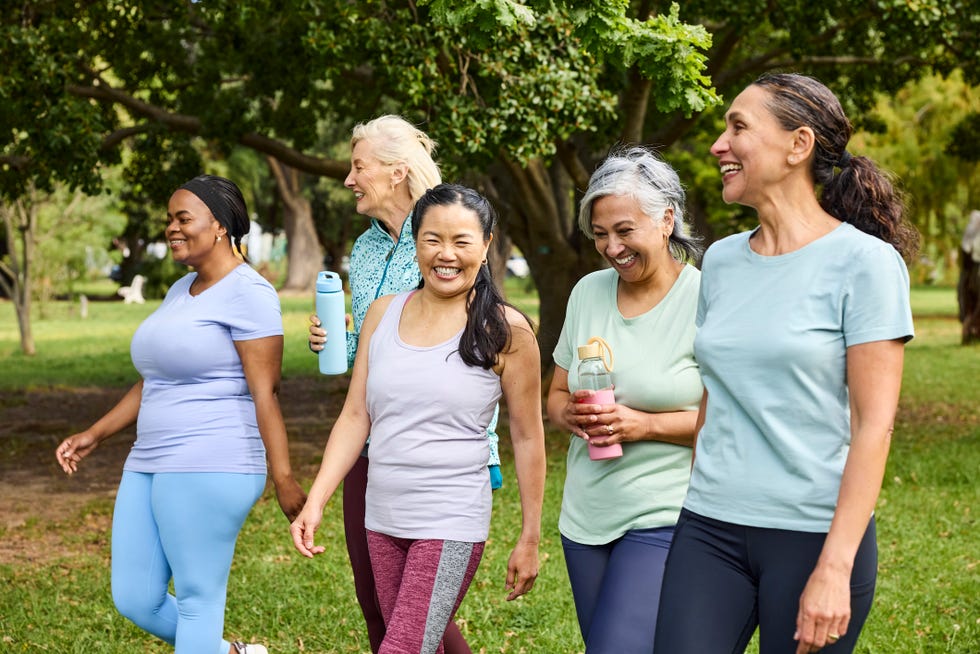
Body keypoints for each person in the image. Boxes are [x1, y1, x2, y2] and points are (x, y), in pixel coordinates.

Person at [654, 73, 918, 654]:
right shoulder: (721, 261)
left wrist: (834, 567)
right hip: (710, 525)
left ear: (798, 145)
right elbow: (713, 392)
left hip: (814, 535)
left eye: (738, 127)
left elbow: (874, 426)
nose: (719, 144)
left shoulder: (865, 264)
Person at [54, 174, 307, 654]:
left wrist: (284, 476)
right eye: (169, 218)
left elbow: (266, 392)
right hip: (149, 459)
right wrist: (96, 433)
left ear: (219, 226)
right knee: (135, 598)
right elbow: (155, 379)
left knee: (196, 600)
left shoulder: (249, 293)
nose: (171, 227)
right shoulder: (182, 289)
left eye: (182, 218)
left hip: (213, 459)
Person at [292, 184, 546, 654]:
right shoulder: (383, 315)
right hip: (382, 517)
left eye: (462, 241)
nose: (445, 254)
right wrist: (316, 501)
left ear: (487, 245)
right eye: (432, 240)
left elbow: (528, 437)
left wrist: (530, 536)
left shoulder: (505, 330)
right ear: (415, 242)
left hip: (450, 520)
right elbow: (354, 417)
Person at [307, 115, 500, 653]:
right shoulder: (366, 249)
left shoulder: (448, 236)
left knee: (415, 617)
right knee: (381, 606)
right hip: (371, 445)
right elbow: (370, 353)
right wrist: (336, 343)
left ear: (395, 172)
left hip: (444, 452)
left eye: (358, 166)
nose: (349, 179)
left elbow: (483, 341)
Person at [546, 146, 704, 653]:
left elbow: (732, 418)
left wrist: (644, 425)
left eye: (624, 230)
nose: (612, 247)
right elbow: (553, 396)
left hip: (665, 511)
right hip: (586, 516)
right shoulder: (587, 292)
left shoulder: (707, 297)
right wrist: (568, 413)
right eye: (599, 234)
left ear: (666, 220)